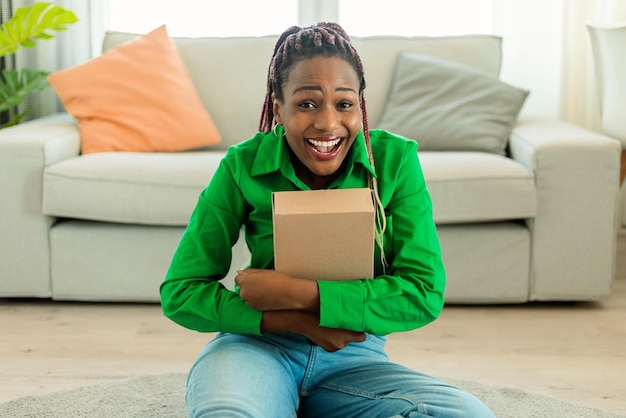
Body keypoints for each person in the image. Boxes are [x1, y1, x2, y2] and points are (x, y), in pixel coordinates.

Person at [160, 22, 495, 418]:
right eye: (306, 104)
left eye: (344, 104)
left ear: (360, 107)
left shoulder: (395, 162)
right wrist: (283, 319)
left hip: (353, 356)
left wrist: (301, 295)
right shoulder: (242, 164)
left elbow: (423, 293)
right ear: (279, 108)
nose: (327, 124)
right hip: (255, 346)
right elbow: (180, 291)